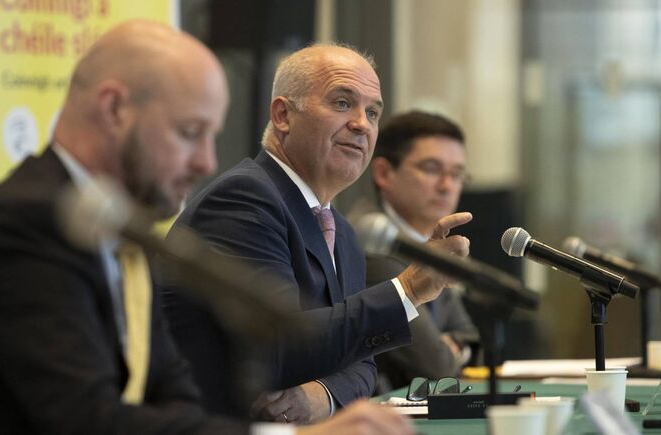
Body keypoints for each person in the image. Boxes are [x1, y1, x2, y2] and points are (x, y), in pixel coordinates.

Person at [0, 20, 415, 435]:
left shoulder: (117, 228)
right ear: (115, 109)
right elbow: (90, 421)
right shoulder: (23, 229)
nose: (204, 162)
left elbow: (173, 401)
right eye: (189, 133)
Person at [167, 44, 472, 424]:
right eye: (343, 103)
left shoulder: (341, 231)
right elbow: (275, 347)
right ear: (282, 115)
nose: (362, 123)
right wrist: (406, 290)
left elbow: (364, 363)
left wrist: (323, 396)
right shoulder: (244, 200)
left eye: (373, 112)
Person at [349, 110, 480, 393]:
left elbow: (470, 338)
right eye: (432, 169)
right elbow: (436, 367)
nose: (447, 186)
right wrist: (450, 349)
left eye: (457, 174)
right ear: (384, 173)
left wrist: (454, 346)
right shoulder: (369, 243)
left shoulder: (433, 241)